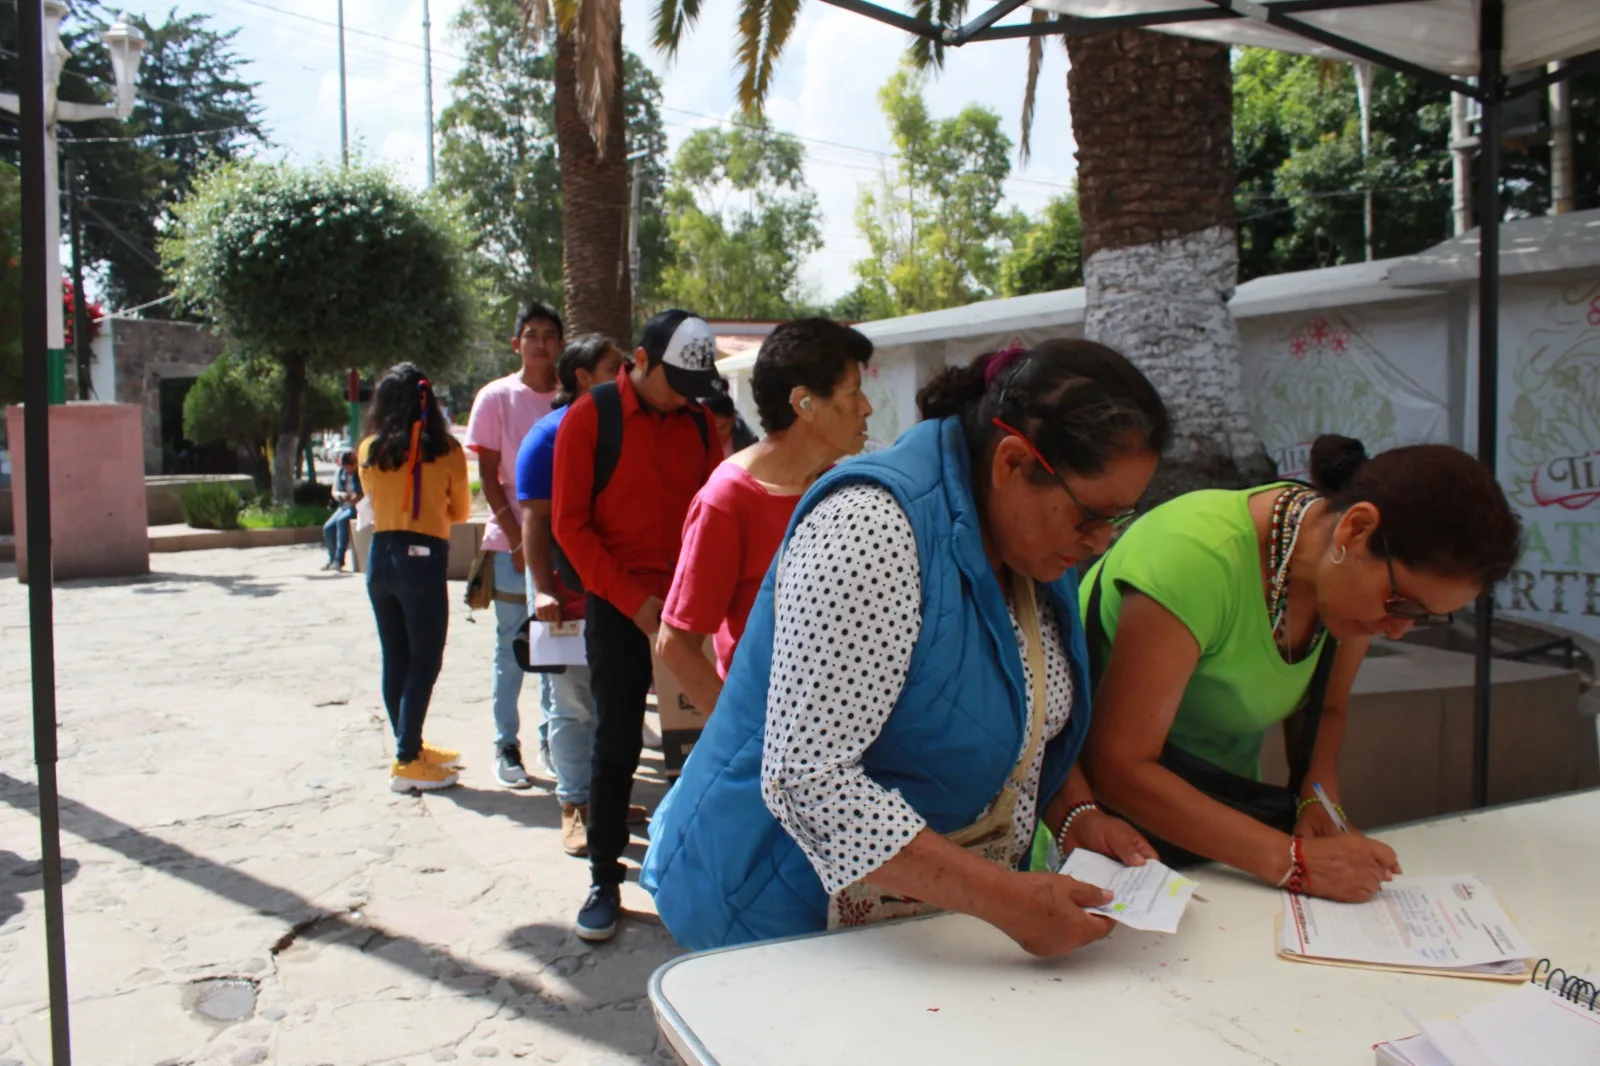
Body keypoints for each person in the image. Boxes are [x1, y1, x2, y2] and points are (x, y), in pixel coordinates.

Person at [643, 340, 1173, 955]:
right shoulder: (872, 530)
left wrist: (1077, 814)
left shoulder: (1036, 538)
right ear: (1010, 463)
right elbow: (808, 781)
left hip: (918, 925)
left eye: (1119, 517)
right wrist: (1006, 899)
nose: (1101, 540)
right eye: (1091, 515)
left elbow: (1026, 713)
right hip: (774, 913)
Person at [1080, 435, 1522, 903]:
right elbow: (1117, 765)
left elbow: (1326, 709)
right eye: (1402, 603)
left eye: (1424, 616)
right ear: (1356, 529)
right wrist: (1287, 859)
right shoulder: (1195, 556)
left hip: (1220, 842)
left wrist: (1318, 802)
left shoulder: (1348, 591)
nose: (1396, 630)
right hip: (1104, 844)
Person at [552, 308, 724, 942]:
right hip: (618, 603)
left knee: (702, 744)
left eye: (693, 386)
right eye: (674, 381)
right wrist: (633, 602)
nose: (684, 396)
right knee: (616, 742)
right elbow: (570, 526)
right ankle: (604, 877)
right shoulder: (591, 417)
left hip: (687, 608)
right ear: (641, 361)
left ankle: (699, 873)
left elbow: (714, 509)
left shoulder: (700, 419)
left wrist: (696, 601)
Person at [658, 318, 875, 718]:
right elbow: (676, 644)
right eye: (854, 391)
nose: (867, 407)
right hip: (769, 754)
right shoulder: (728, 500)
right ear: (805, 403)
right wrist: (742, 741)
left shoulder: (840, 487)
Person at [516, 333, 626, 856]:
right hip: (566, 596)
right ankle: (574, 803)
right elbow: (534, 520)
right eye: (613, 368)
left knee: (611, 703)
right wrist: (541, 590)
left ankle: (603, 796)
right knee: (573, 704)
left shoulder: (626, 431)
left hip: (619, 595)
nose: (624, 376)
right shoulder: (548, 437)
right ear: (582, 378)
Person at [359, 363, 472, 792]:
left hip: (381, 555)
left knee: (397, 657)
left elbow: (370, 499)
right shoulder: (446, 450)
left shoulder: (369, 448)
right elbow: (460, 512)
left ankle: (411, 744)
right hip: (423, 559)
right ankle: (407, 760)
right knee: (425, 660)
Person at [465, 302, 563, 789]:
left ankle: (552, 737)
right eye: (531, 334)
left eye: (549, 334)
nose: (540, 343)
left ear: (561, 344)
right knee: (511, 648)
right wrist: (519, 539)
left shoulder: (571, 400)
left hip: (561, 547)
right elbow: (488, 476)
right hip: (508, 546)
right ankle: (506, 743)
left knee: (552, 647)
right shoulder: (495, 397)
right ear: (516, 343)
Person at [321, 450, 364, 572]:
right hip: (343, 505)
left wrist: (356, 497)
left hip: (356, 507)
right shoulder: (340, 472)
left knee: (341, 521)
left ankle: (339, 560)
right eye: (346, 467)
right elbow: (334, 491)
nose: (348, 470)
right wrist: (341, 495)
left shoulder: (360, 474)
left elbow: (365, 492)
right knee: (328, 527)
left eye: (350, 467)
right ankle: (332, 558)